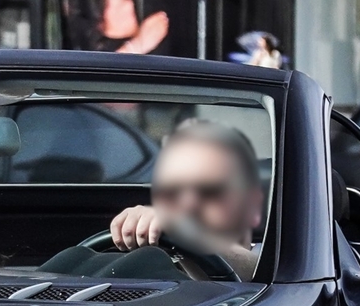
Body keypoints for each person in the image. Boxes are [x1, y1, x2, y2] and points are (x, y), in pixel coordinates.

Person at [48, 118, 263, 279]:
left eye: (209, 188)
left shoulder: (277, 260)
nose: (189, 202)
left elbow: (261, 270)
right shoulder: (152, 265)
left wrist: (186, 233)